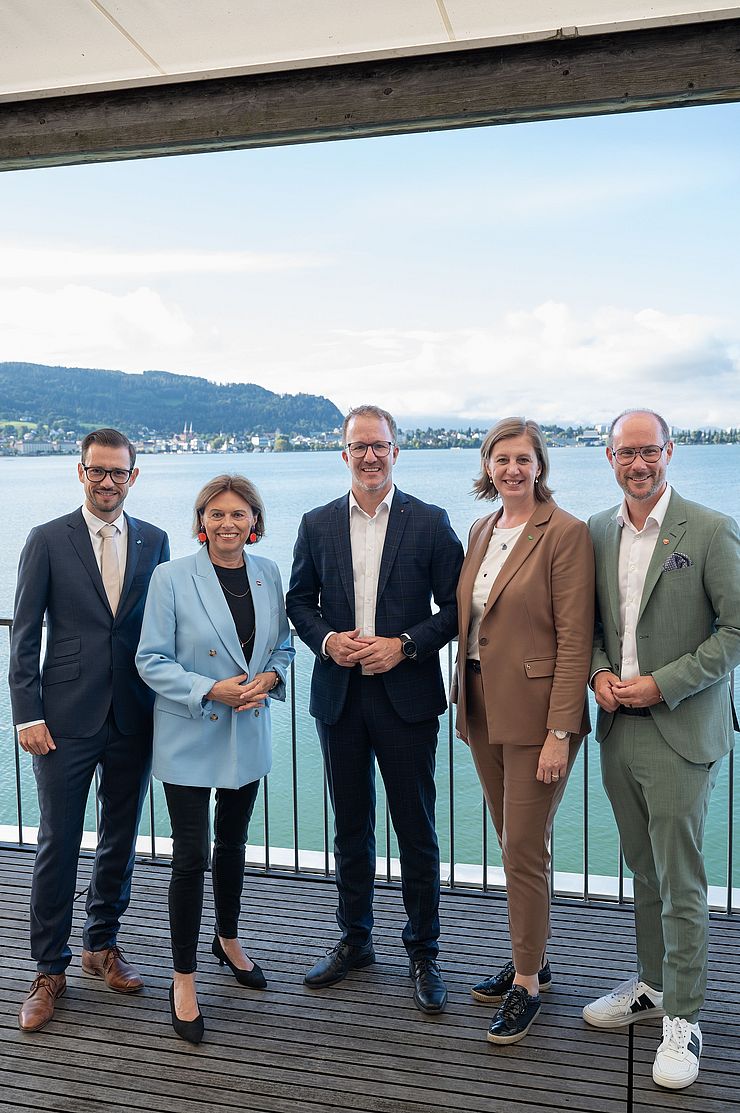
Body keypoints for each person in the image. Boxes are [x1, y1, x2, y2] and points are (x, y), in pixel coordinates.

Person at [286, 404, 463, 1013]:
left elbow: (457, 609)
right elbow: (298, 600)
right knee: (351, 827)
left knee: (415, 829)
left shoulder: (431, 522)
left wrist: (406, 645)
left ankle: (423, 950)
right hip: (339, 697)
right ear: (344, 454)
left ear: (396, 451)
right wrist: (328, 641)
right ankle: (355, 940)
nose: (369, 456)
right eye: (358, 446)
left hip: (406, 695)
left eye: (379, 446)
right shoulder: (316, 523)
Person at [583, 409, 740, 1090]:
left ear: (669, 452)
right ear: (609, 457)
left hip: (680, 727)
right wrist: (596, 676)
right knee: (644, 868)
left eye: (649, 450)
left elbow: (735, 631)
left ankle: (686, 1015)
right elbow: (583, 625)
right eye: (626, 452)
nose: (638, 463)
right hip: (618, 728)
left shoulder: (709, 528)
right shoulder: (595, 530)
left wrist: (660, 684)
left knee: (681, 880)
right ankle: (651, 983)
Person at [8, 428, 170, 1032]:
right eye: (97, 471)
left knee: (121, 839)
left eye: (118, 473)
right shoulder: (47, 540)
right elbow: (24, 635)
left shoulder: (155, 540)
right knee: (58, 842)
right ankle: (49, 968)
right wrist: (28, 712)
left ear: (134, 476)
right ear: (81, 473)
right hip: (64, 719)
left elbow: (165, 627)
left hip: (134, 713)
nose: (107, 482)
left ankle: (101, 945)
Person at [136, 474, 294, 1044]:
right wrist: (211, 689)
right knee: (189, 856)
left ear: (255, 521)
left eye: (239, 514)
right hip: (191, 728)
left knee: (233, 844)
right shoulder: (171, 576)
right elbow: (149, 658)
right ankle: (184, 980)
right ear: (200, 521)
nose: (228, 524)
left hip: (247, 726)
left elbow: (282, 644)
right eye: (217, 514)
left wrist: (272, 675)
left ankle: (228, 939)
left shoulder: (269, 573)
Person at [452, 417, 594, 1044]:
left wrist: (561, 731)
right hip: (482, 705)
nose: (512, 469)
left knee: (522, 851)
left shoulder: (565, 533)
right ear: (488, 467)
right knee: (513, 840)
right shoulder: (484, 529)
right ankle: (528, 953)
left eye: (523, 459)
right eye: (501, 459)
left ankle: (528, 984)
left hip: (538, 718)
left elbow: (574, 638)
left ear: (540, 466)